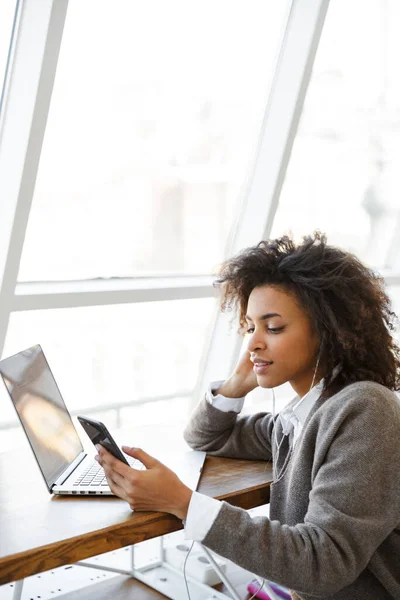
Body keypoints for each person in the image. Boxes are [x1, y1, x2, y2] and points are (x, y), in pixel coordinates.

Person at [95, 232, 400, 600]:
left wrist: (182, 502)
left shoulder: (364, 409)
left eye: (273, 328)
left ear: (328, 332)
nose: (254, 341)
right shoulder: (301, 417)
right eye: (250, 327)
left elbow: (324, 563)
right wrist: (237, 385)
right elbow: (207, 437)